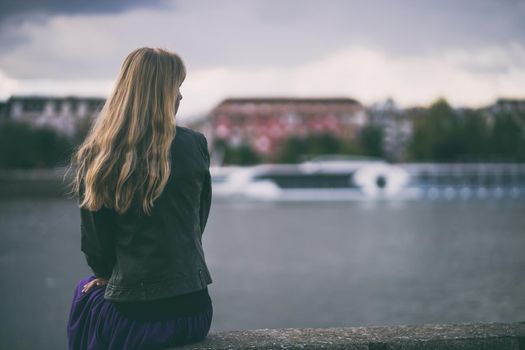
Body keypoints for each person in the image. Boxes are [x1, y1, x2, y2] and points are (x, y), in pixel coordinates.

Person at [64, 47, 213, 349]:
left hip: (136, 317)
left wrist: (107, 274)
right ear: (161, 93)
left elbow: (97, 247)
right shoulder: (195, 144)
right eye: (176, 87)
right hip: (194, 312)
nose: (181, 97)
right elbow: (198, 222)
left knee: (85, 293)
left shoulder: (99, 154)